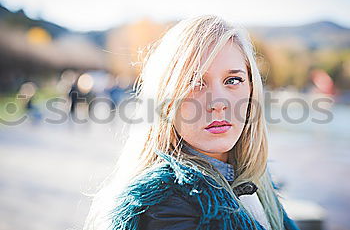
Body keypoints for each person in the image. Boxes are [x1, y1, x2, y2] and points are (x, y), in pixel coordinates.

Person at [83, 15, 300, 230]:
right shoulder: (166, 206)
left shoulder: (257, 183)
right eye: (194, 82)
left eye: (233, 80)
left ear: (252, 89)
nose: (218, 103)